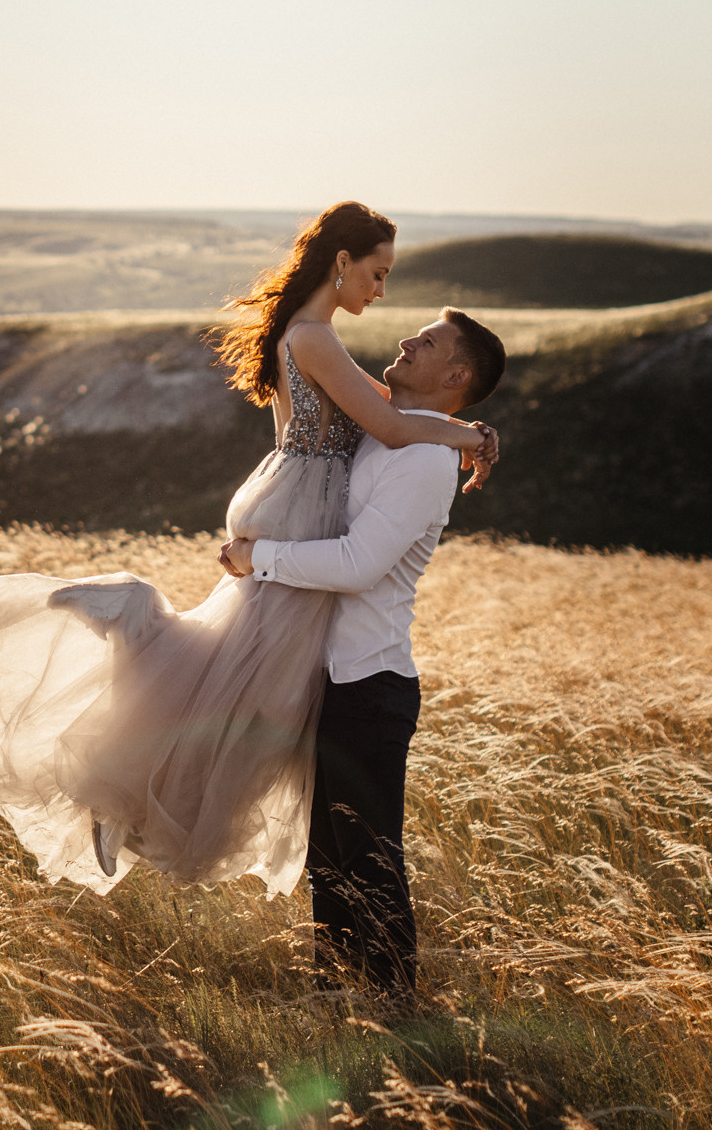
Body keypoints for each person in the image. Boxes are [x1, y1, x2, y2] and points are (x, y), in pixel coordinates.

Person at [0, 201, 499, 905]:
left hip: (288, 501)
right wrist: (468, 438)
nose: (379, 291)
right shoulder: (315, 336)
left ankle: (132, 789)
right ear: (342, 262)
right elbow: (386, 419)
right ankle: (133, 671)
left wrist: (460, 425)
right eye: (376, 274)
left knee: (238, 680)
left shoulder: (312, 337)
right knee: (247, 691)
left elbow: (390, 411)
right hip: (297, 509)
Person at [217, 305, 506, 1000]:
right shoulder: (390, 431)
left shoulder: (427, 463)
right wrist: (477, 430)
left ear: (456, 373)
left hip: (370, 687)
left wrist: (261, 558)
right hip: (329, 681)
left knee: (369, 859)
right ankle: (337, 997)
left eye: (429, 342)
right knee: (330, 860)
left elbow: (359, 564)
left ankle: (395, 1008)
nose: (408, 340)